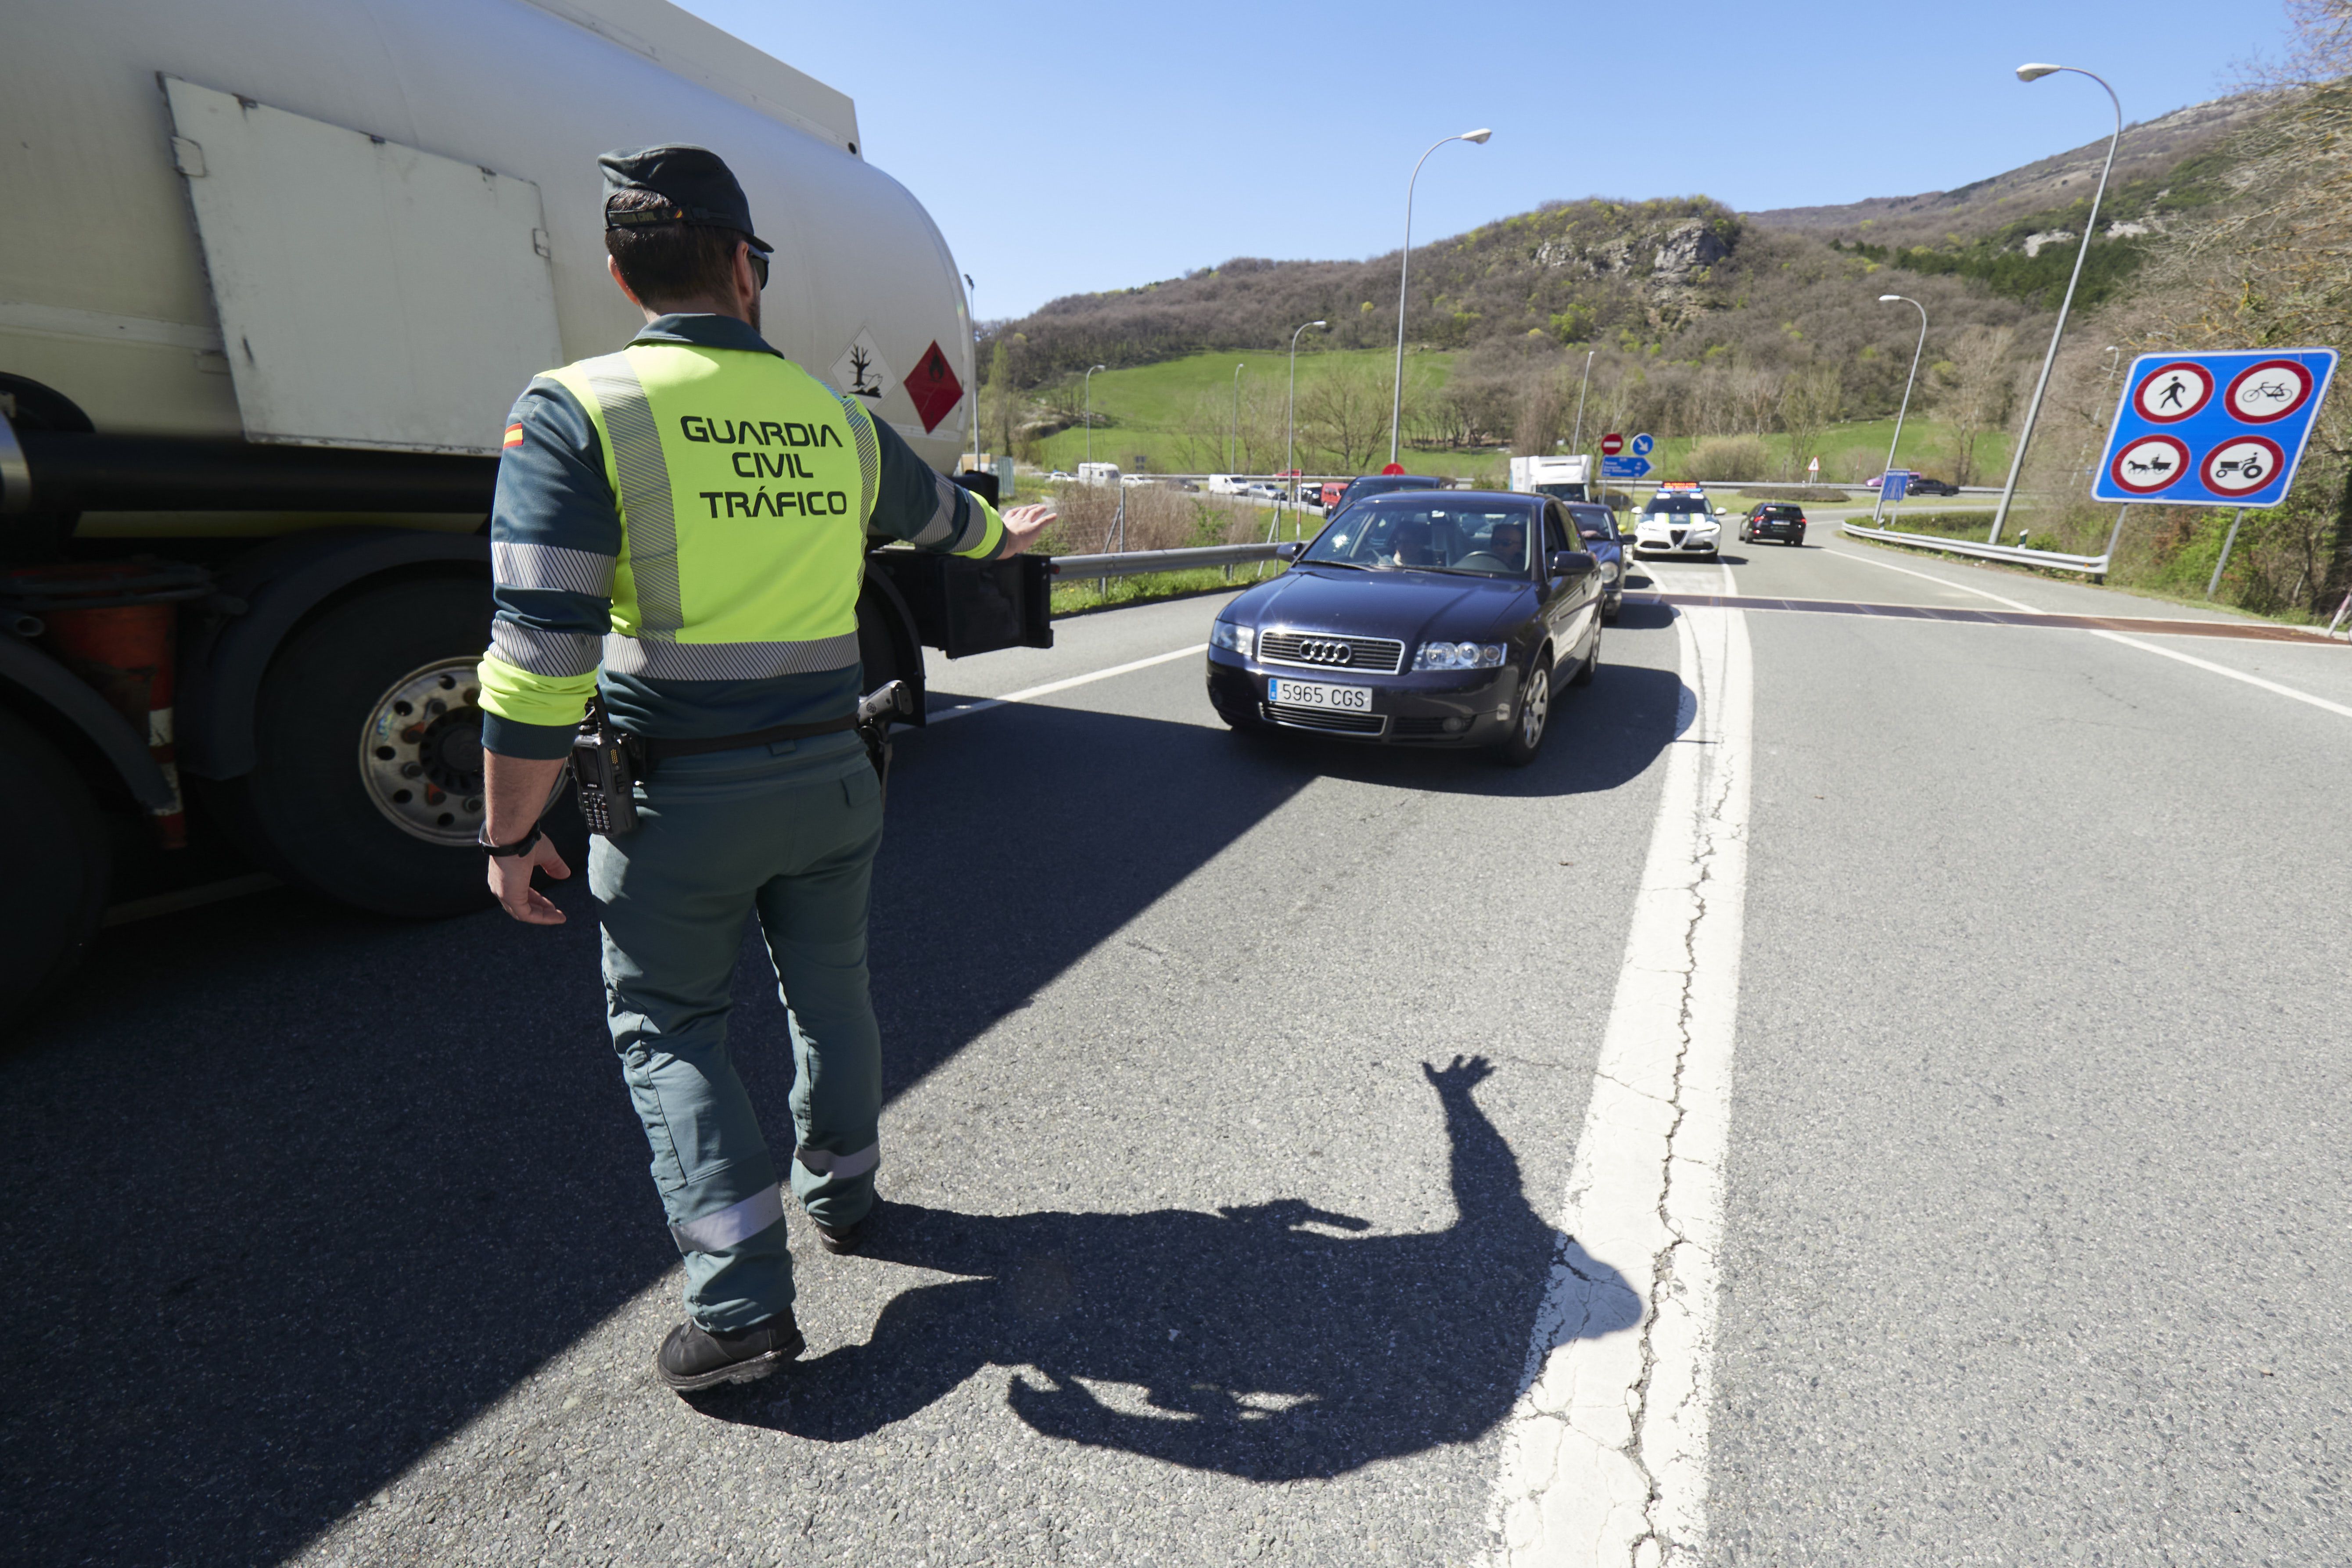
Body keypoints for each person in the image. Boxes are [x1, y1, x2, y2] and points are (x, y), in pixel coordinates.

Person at [472, 145, 1052, 1392]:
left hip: (677, 799)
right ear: (747, 269)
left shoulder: (580, 410)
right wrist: (1014, 530)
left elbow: (537, 658)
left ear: (622, 274)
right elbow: (952, 521)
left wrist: (507, 834)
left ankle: (738, 1313)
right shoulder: (835, 419)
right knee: (829, 987)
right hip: (838, 778)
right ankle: (845, 1201)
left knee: (671, 1026)